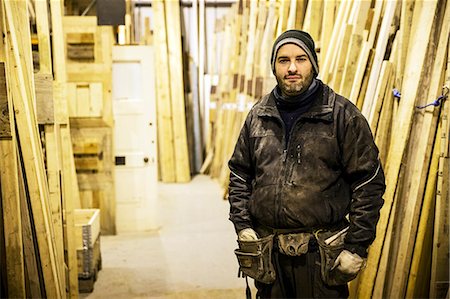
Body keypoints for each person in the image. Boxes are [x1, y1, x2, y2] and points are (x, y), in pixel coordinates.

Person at [228, 29, 386, 298]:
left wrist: (357, 247)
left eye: (300, 59)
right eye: (283, 60)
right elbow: (240, 175)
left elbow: (368, 184)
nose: (292, 68)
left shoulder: (341, 116)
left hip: (320, 258)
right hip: (269, 258)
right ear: (274, 67)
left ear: (313, 64)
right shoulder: (259, 116)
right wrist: (243, 226)